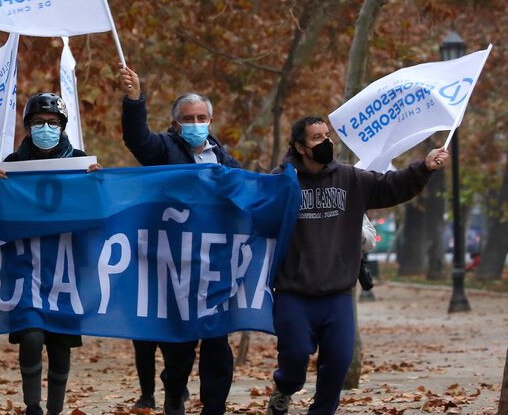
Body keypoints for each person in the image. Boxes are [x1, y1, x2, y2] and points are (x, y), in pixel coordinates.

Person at [266, 116, 449, 415]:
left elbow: (391, 186)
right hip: (293, 292)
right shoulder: (281, 181)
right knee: (294, 357)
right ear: (300, 147)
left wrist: (424, 167)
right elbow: (256, 210)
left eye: (328, 135)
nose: (327, 142)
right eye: (317, 138)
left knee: (338, 362)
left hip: (338, 293)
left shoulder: (351, 178)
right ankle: (285, 388)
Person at [119, 67, 240, 415]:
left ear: (211, 120)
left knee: (218, 344)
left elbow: (246, 196)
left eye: (202, 117)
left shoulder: (225, 160)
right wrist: (134, 99)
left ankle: (213, 406)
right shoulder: (163, 150)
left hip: (214, 269)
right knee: (179, 349)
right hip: (173, 269)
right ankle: (175, 392)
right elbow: (137, 138)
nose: (196, 122)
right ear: (175, 124)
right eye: (188, 118)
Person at [0, 92, 100, 415]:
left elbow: (95, 214)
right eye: (38, 123)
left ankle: (55, 408)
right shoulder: (11, 164)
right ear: (27, 126)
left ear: (63, 127)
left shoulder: (81, 161)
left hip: (66, 269)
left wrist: (98, 183)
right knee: (31, 337)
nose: (46, 128)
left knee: (61, 342)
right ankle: (33, 405)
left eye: (52, 123)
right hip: (25, 268)